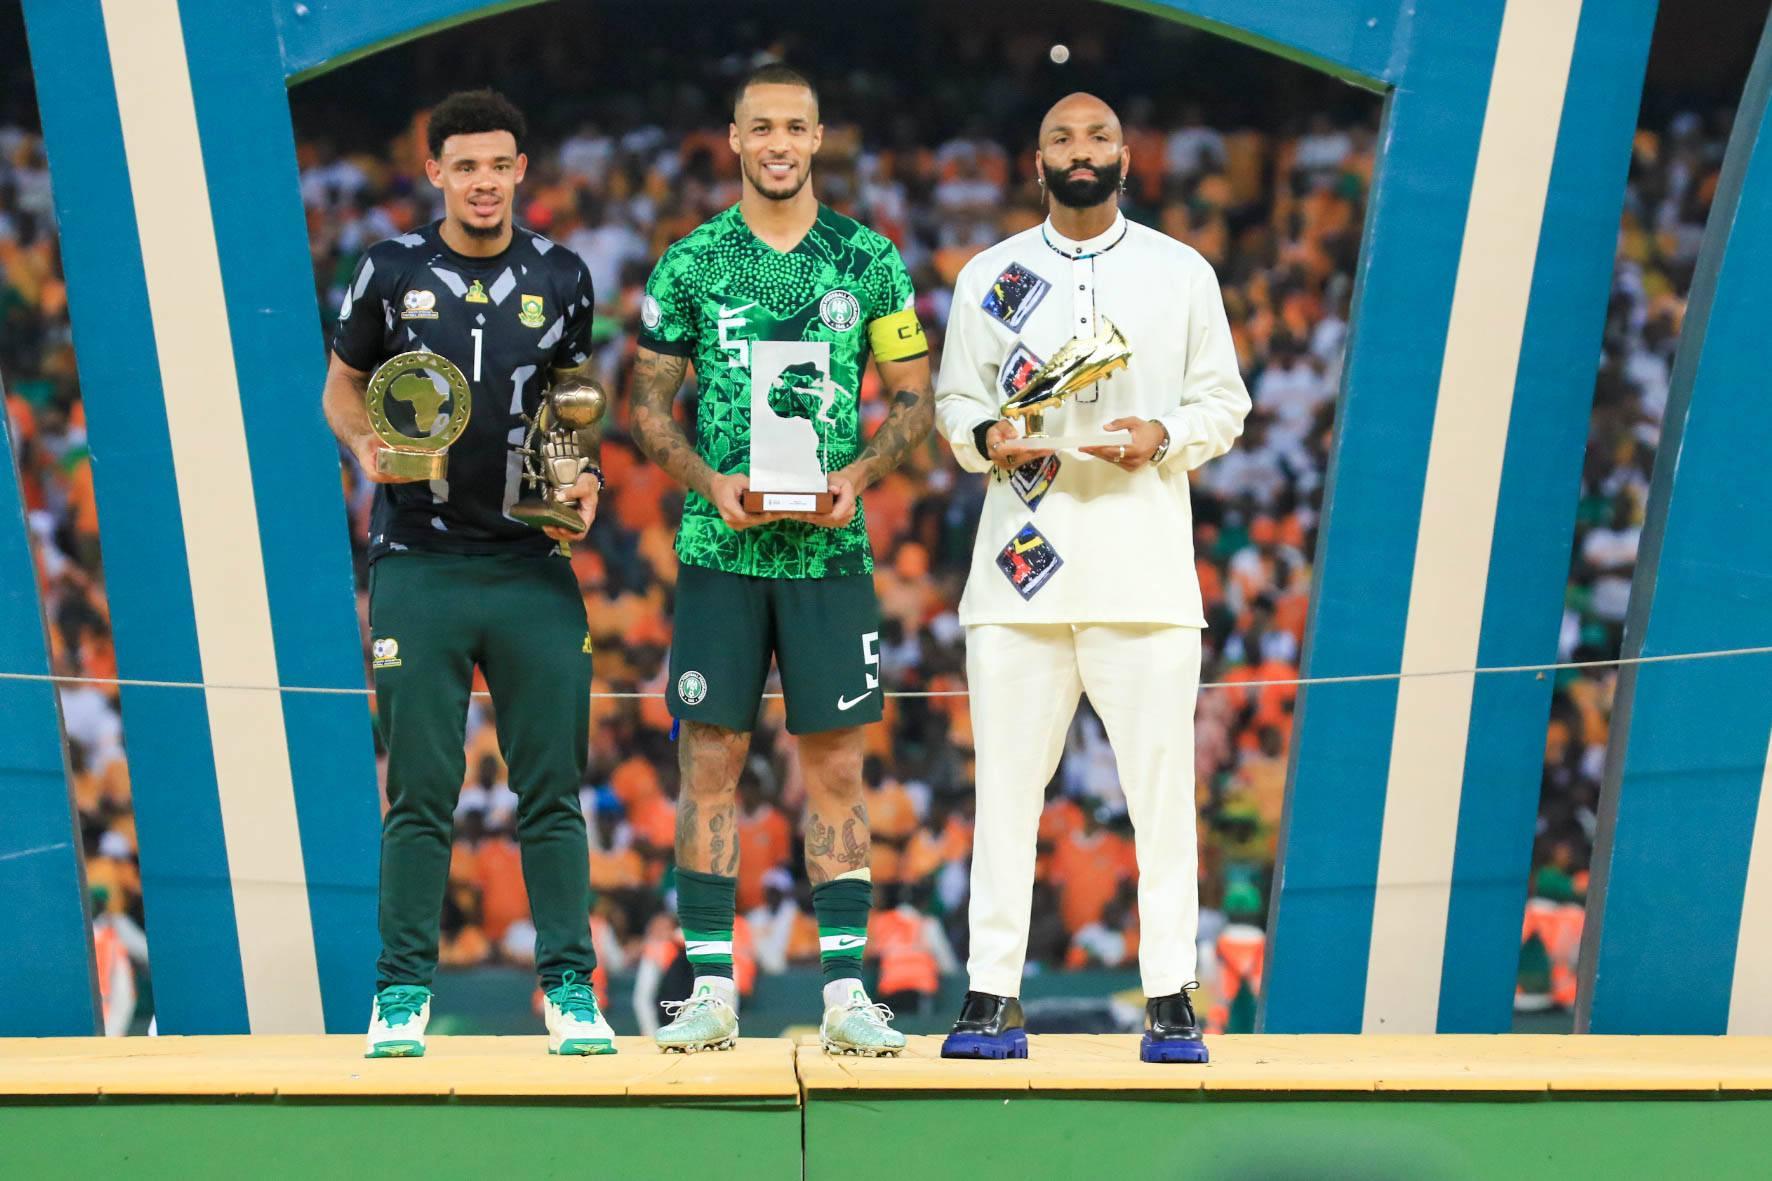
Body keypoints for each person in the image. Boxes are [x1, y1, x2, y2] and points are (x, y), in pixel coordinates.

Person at [933, 92, 1250, 1064]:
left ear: (1125, 156)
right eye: (1062, 138)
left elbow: (1224, 403)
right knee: (1005, 795)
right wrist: (986, 434)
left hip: (1142, 569)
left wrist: (1165, 434)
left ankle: (1170, 992)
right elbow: (954, 401)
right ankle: (992, 991)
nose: (1082, 150)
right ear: (1037, 162)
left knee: (1161, 794)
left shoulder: (1179, 271)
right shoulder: (989, 275)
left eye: (1099, 136)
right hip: (1018, 577)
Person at [628, 63, 933, 1056]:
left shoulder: (869, 259)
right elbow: (645, 406)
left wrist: (860, 471)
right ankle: (710, 987)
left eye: (794, 127)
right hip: (720, 545)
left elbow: (915, 400)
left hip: (828, 551)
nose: (777, 143)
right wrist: (706, 480)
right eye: (760, 126)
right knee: (708, 759)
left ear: (817, 138)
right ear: (733, 138)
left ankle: (844, 990)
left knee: (836, 766)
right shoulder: (690, 262)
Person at [322, 88, 615, 1058]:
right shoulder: (390, 268)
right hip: (421, 561)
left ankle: (569, 988)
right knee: (420, 789)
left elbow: (571, 409)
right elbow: (341, 387)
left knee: (552, 789)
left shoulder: (563, 276)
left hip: (532, 563)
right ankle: (400, 991)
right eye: (465, 167)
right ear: (435, 172)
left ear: (520, 170)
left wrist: (584, 481)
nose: (483, 182)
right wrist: (364, 444)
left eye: (498, 165)